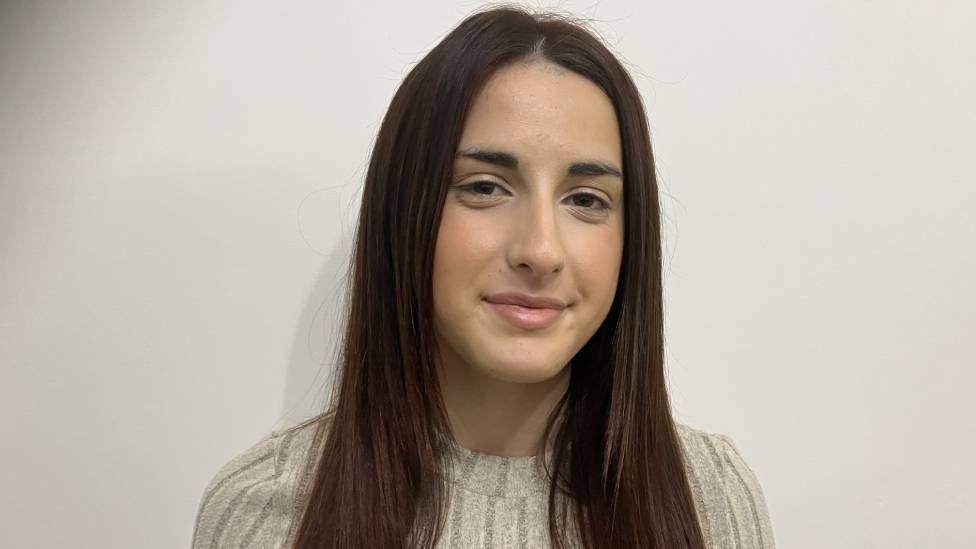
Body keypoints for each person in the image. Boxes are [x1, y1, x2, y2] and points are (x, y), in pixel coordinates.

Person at [191, 5, 776, 548]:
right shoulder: (267, 511)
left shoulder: (710, 501)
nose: (541, 250)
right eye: (484, 188)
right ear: (405, 213)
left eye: (587, 199)